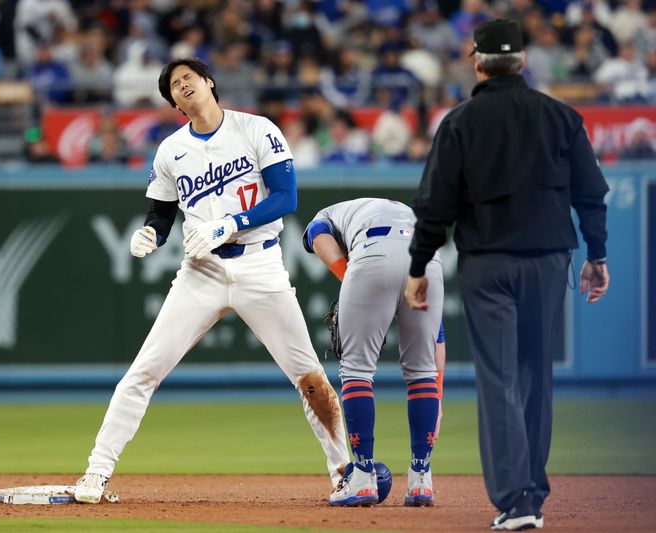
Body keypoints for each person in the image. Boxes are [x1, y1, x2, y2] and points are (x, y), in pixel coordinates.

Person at [74, 57, 350, 504]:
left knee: (311, 378)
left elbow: (286, 196)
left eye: (189, 78)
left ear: (209, 82)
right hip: (200, 272)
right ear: (174, 104)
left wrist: (230, 223)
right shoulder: (170, 150)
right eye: (174, 86)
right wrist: (152, 233)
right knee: (142, 373)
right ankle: (95, 473)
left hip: (259, 265)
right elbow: (161, 212)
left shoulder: (256, 129)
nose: (182, 86)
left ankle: (344, 472)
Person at [404, 19, 610, 531]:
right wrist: (598, 255)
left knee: (498, 378)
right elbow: (591, 193)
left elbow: (434, 205)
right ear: (522, 60)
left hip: (489, 263)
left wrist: (417, 267)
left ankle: (515, 501)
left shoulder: (459, 121)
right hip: (547, 261)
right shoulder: (562, 117)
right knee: (535, 374)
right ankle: (532, 498)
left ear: (477, 62)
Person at [302, 198, 446, 507]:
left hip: (373, 252)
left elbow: (317, 232)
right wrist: (439, 396)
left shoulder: (328, 213)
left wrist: (349, 280)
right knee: (422, 372)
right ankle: (422, 479)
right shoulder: (399, 210)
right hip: (427, 257)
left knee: (356, 371)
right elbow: (439, 336)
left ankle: (363, 475)